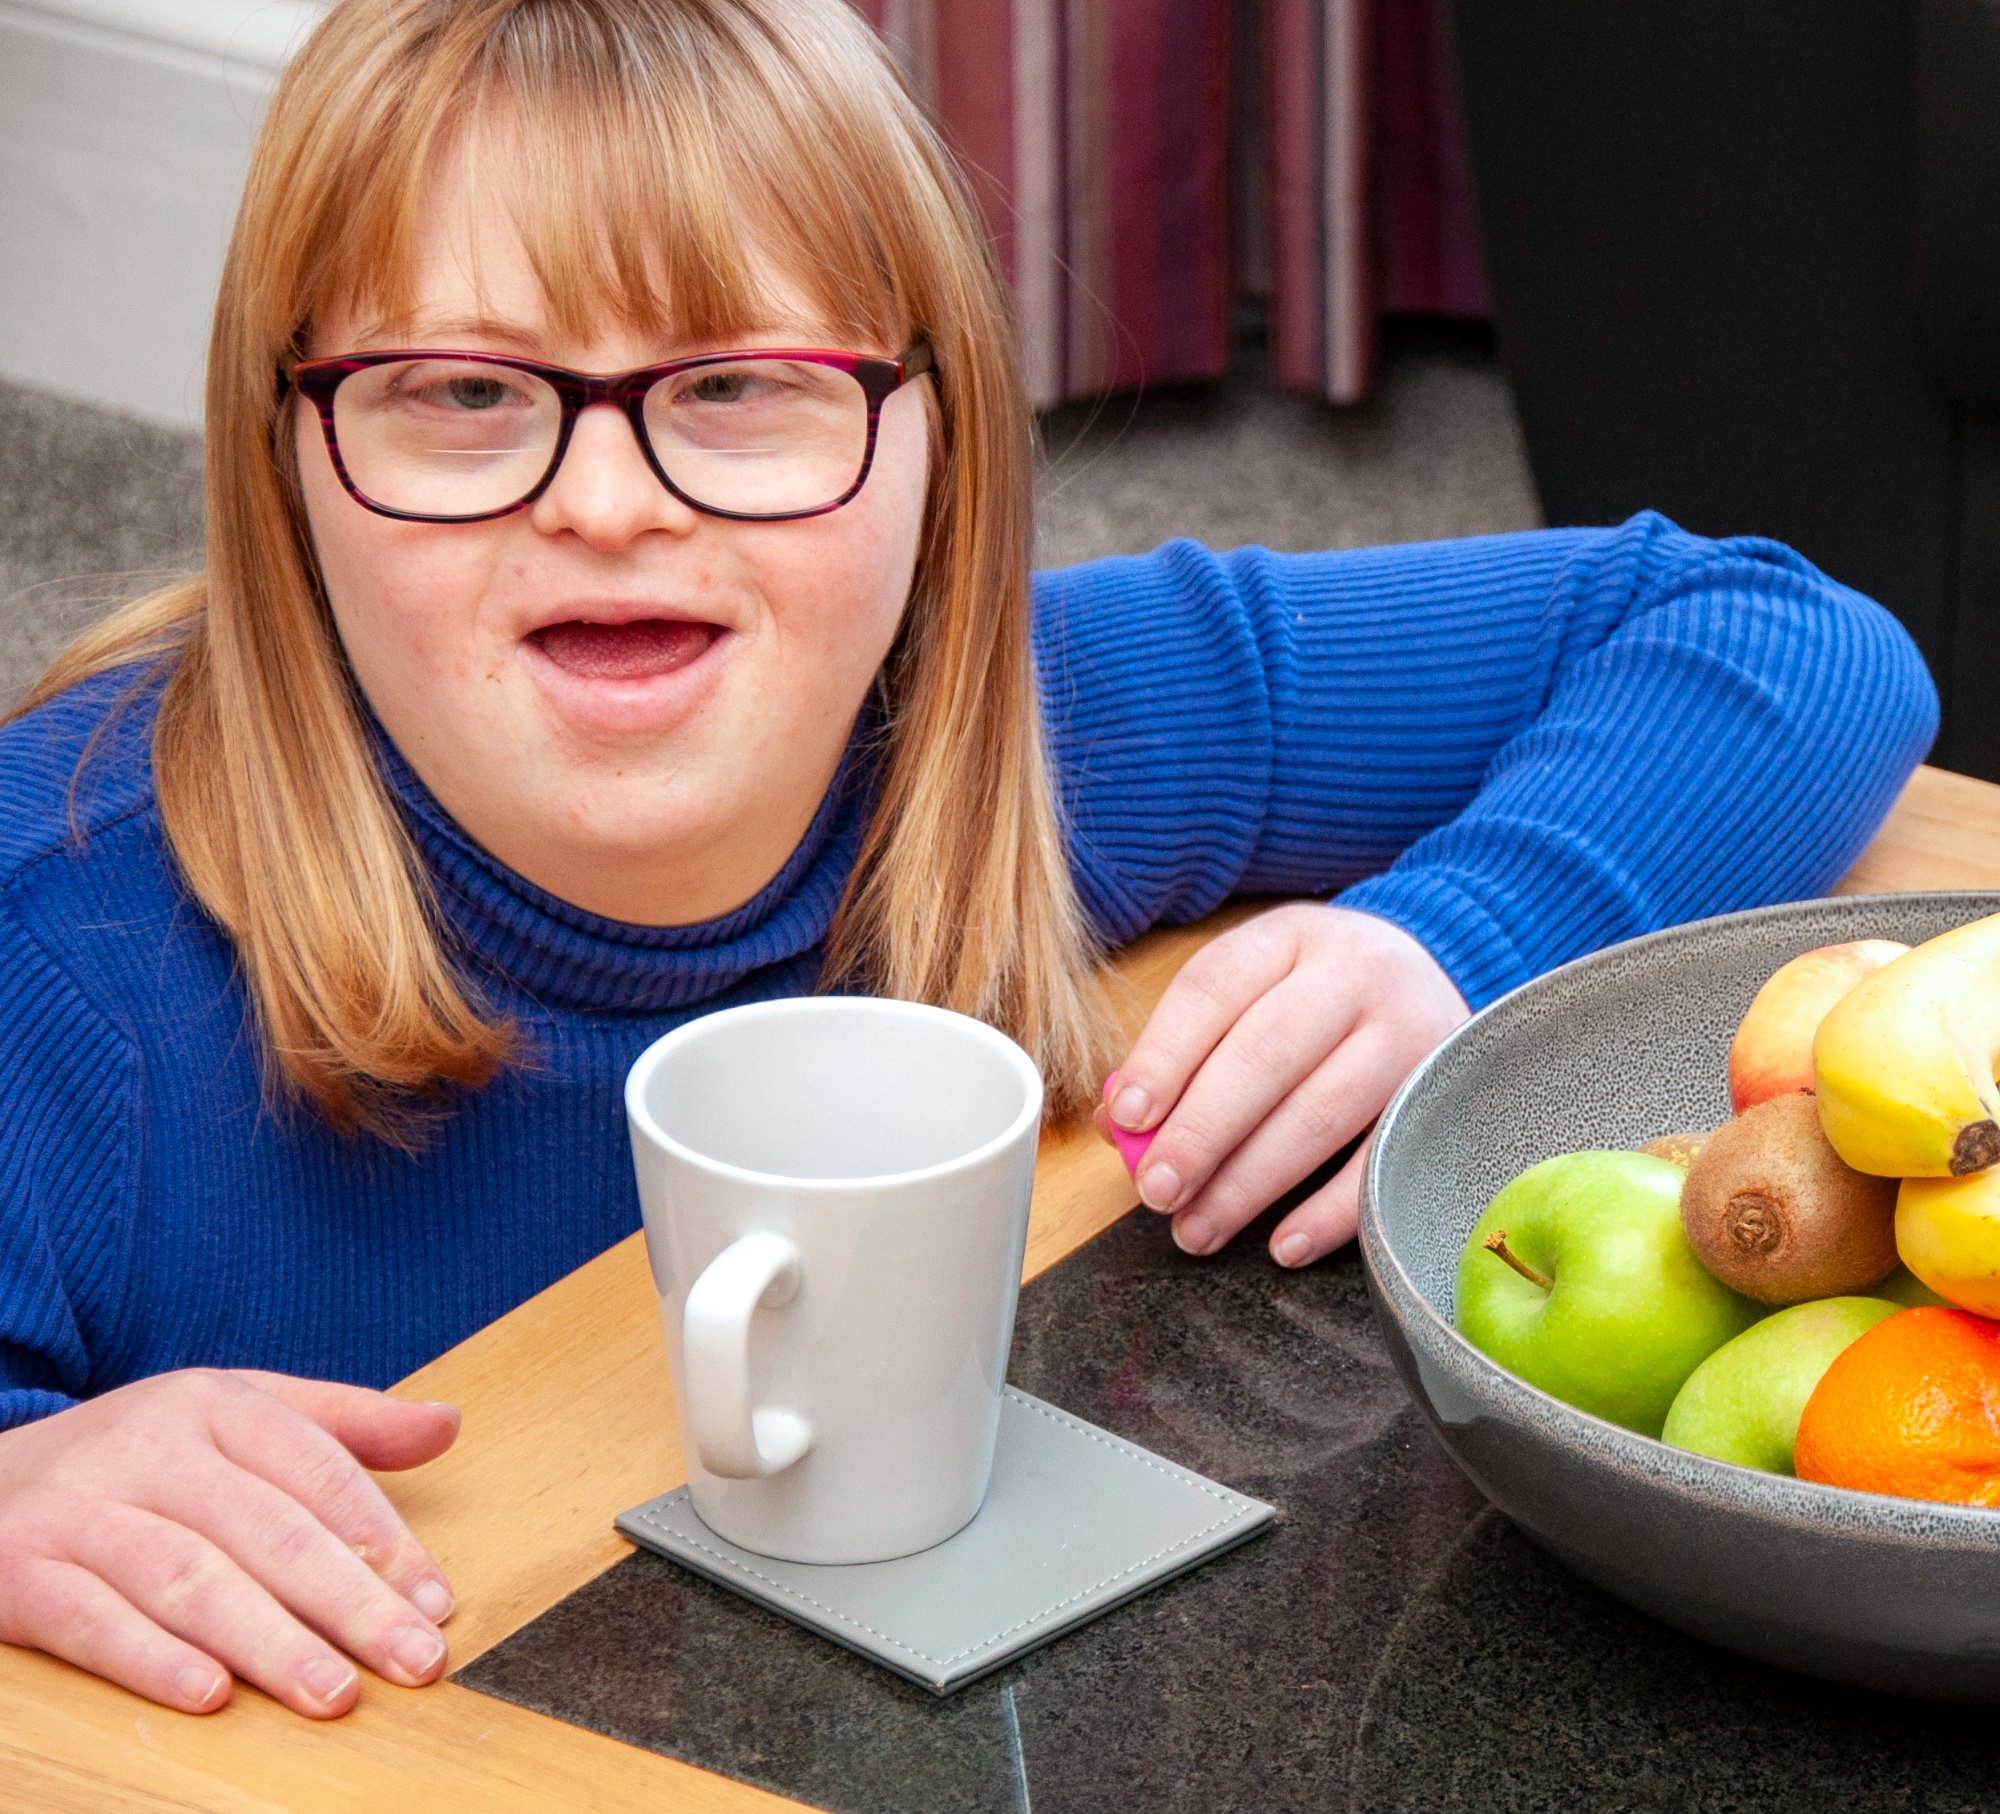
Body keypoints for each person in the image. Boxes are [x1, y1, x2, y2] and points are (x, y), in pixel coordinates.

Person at [0, 0, 1934, 1723]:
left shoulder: (1029, 712)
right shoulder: (58, 917)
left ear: (941, 450)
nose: (605, 502)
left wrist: (1457, 936)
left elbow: (1784, 642)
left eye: (737, 387)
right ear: (283, 456)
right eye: (462, 393)